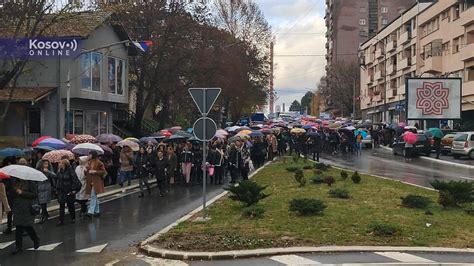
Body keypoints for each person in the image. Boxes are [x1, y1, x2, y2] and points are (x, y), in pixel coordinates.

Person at [11, 178, 40, 255]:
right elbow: (11, 194)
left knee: (27, 226)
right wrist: (14, 192)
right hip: (17, 206)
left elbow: (34, 195)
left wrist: (22, 192)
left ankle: (35, 239)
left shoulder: (30, 182)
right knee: (18, 226)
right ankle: (18, 246)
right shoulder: (15, 181)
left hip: (26, 207)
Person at [55, 159, 81, 225]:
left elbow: (74, 180)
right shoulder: (59, 171)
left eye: (60, 163)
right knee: (61, 205)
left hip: (69, 190)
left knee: (70, 205)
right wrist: (57, 189)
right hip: (61, 190)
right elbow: (58, 180)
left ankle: (73, 218)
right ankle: (61, 220)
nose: (59, 164)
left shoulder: (70, 170)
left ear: (64, 164)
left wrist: (73, 190)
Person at [85, 151, 106, 217]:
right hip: (90, 181)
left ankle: (90, 212)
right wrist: (86, 170)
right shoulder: (89, 162)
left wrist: (95, 171)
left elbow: (103, 171)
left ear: (93, 155)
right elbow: (87, 172)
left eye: (90, 154)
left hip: (96, 182)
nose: (89, 155)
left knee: (93, 196)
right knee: (94, 196)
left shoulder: (99, 162)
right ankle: (97, 211)